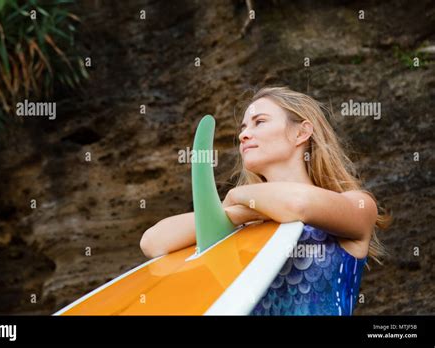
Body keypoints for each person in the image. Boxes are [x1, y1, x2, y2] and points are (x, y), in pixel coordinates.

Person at [140, 86, 391, 315]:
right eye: (243, 128)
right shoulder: (244, 222)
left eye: (259, 122)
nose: (244, 135)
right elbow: (153, 242)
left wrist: (235, 197)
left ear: (301, 132)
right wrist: (237, 214)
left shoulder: (358, 204)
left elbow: (298, 204)